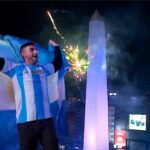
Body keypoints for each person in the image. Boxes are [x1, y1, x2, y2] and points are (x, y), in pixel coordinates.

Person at [0, 39, 63, 150]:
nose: (35, 52)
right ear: (23, 54)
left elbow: (57, 63)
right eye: (32, 50)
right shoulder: (14, 67)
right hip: (26, 123)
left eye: (36, 50)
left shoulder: (44, 69)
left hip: (47, 121)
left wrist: (56, 47)